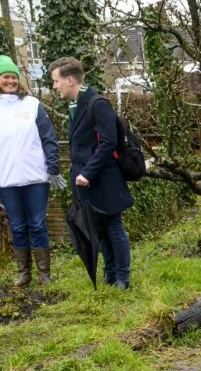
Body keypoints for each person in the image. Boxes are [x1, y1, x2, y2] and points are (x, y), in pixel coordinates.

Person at [49, 57, 133, 289]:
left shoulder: (98, 104)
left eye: (56, 81)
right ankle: (110, 274)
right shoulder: (76, 105)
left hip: (103, 178)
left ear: (68, 80)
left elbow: (108, 142)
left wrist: (88, 172)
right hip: (86, 181)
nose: (54, 86)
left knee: (113, 227)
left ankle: (122, 278)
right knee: (100, 229)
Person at [0, 55, 64, 287]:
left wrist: (53, 168)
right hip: (6, 180)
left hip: (37, 177)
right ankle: (24, 273)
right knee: (17, 225)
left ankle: (44, 273)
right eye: (5, 76)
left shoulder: (32, 104)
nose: (10, 81)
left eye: (13, 77)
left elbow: (49, 138)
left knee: (37, 223)